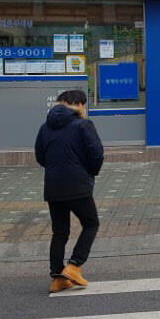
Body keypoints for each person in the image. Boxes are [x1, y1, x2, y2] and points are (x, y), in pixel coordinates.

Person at [35, 89, 105, 293]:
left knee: (60, 232)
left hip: (53, 186)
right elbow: (97, 154)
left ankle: (58, 277)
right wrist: (89, 172)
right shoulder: (84, 124)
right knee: (91, 224)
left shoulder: (45, 127)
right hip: (78, 185)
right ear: (80, 104)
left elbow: (40, 157)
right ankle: (74, 265)